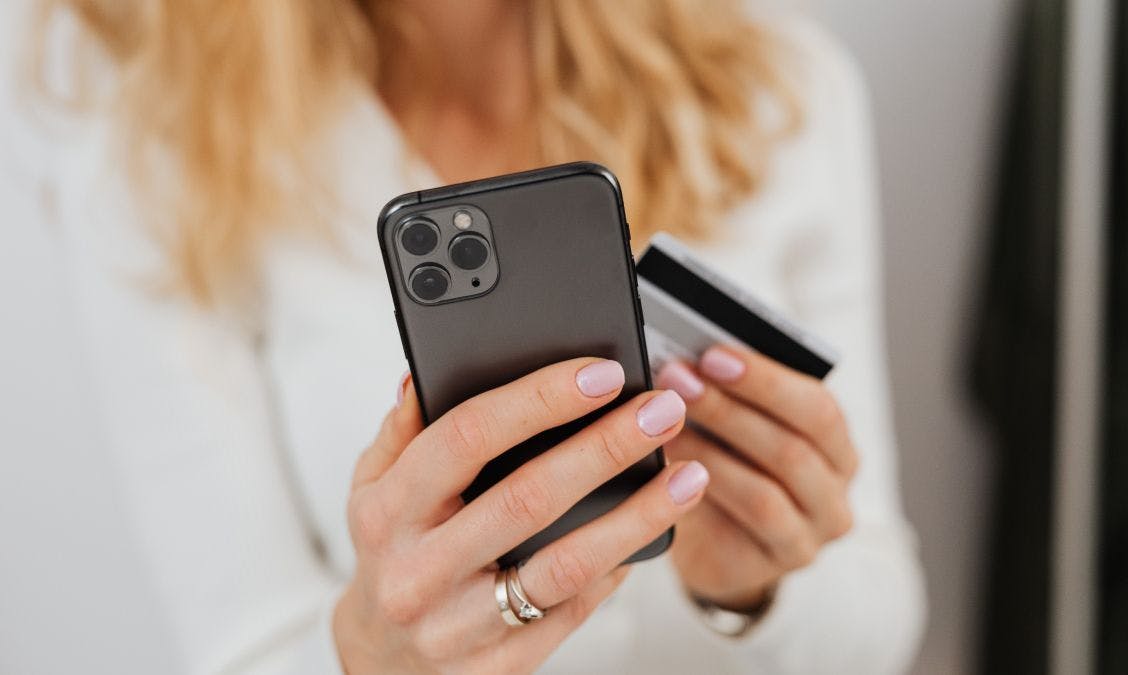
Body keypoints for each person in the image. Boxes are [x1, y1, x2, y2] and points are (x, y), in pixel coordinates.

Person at [27, 0, 925, 672]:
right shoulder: (156, 143)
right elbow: (240, 652)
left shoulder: (784, 91)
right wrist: (367, 652)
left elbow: (880, 623)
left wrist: (750, 591)